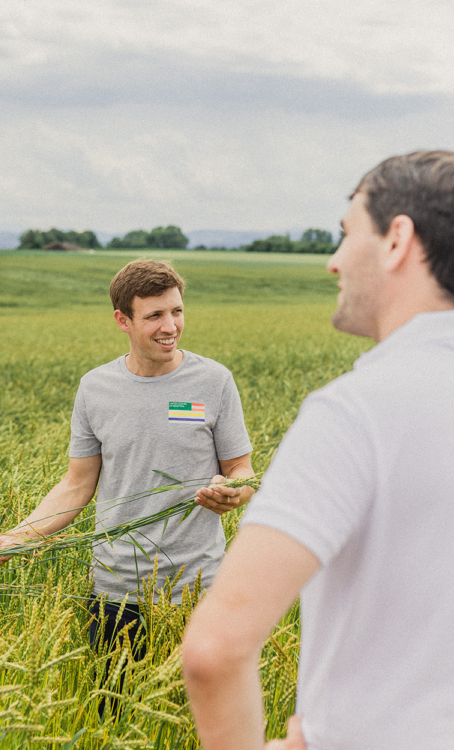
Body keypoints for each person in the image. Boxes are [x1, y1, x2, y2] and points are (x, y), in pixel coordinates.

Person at [182, 150, 454, 750]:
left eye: (346, 233)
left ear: (397, 240)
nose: (334, 262)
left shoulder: (358, 412)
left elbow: (213, 649)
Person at [0, 258, 254, 656]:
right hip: (116, 591)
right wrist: (14, 539)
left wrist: (235, 491)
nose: (171, 327)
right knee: (112, 710)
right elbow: (76, 484)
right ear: (122, 320)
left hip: (199, 588)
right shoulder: (96, 388)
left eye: (177, 311)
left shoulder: (214, 381)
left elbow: (240, 470)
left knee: (195, 717)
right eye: (155, 316)